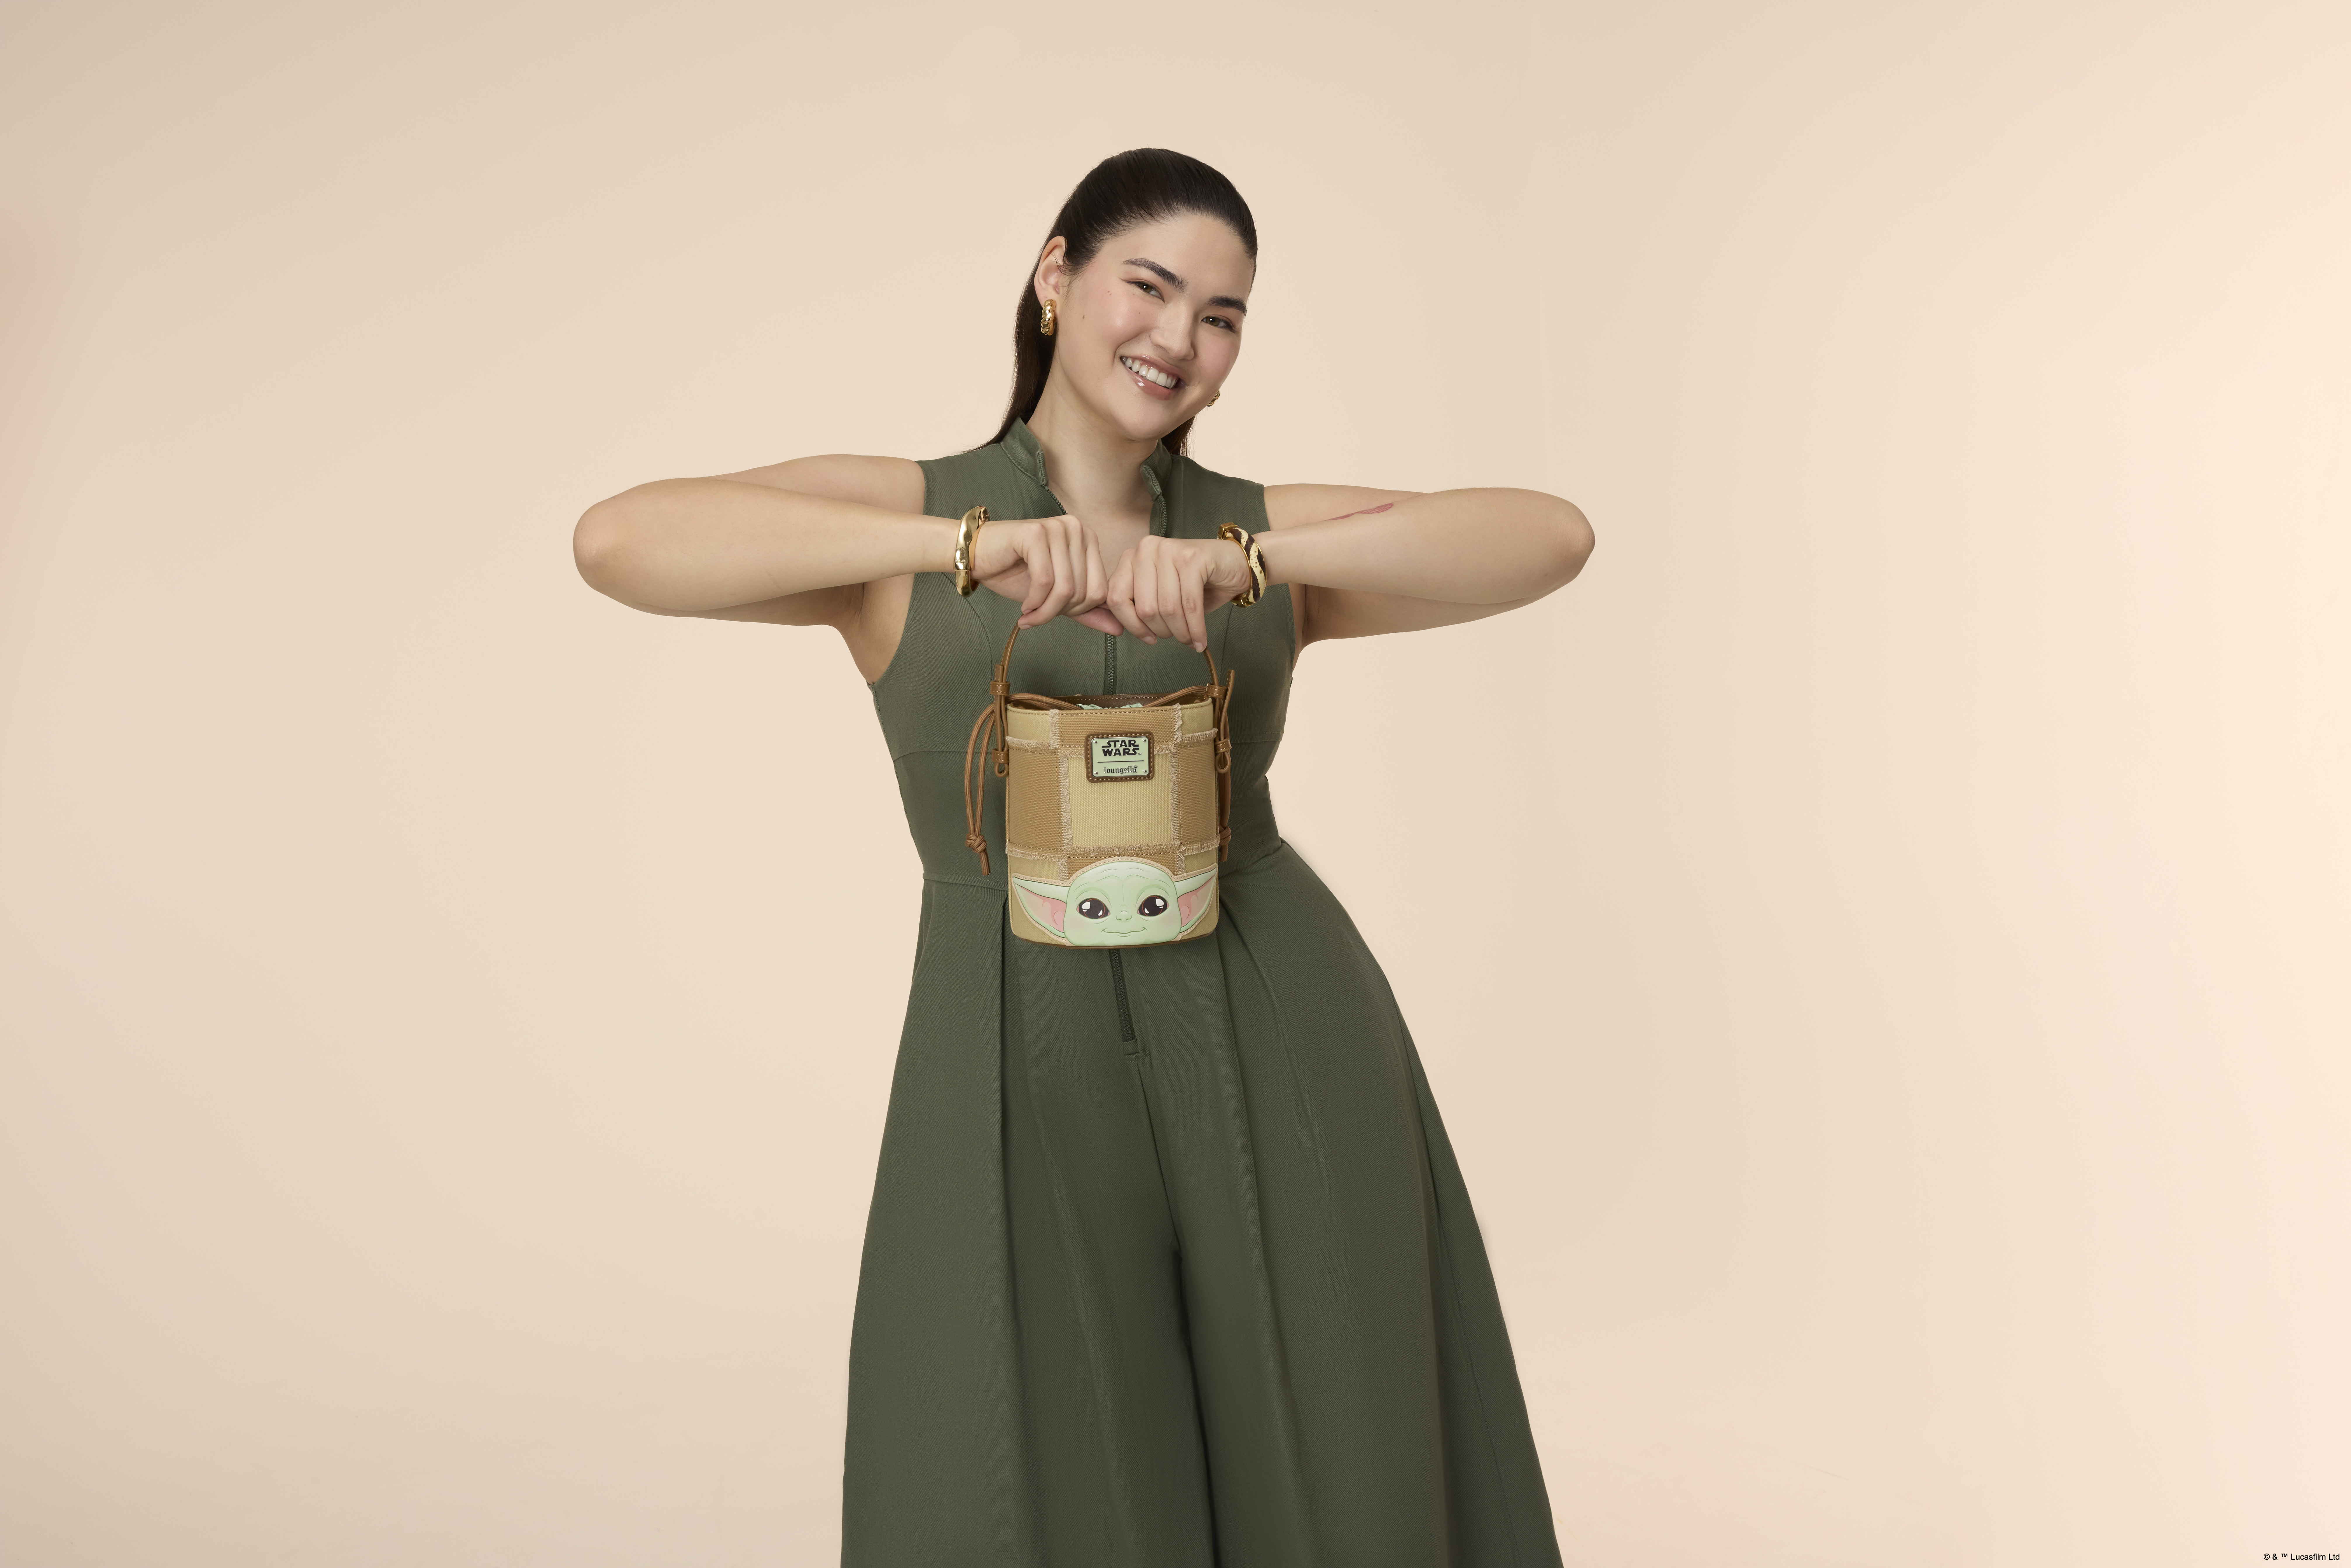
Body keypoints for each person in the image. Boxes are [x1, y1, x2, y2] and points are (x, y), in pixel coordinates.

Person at [573, 147, 1594, 1567]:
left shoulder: (1250, 527)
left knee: (1332, 1441)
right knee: (1026, 1453)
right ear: (1056, 276)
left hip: (1274, 1018)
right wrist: (962, 545)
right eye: (1149, 287)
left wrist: (1252, 565)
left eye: (1222, 316)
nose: (1179, 338)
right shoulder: (907, 518)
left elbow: (1548, 537)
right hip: (1010, 1036)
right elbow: (619, 540)